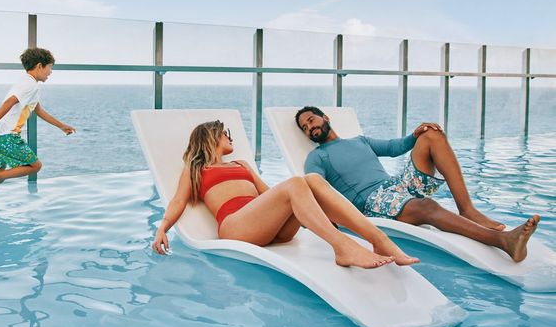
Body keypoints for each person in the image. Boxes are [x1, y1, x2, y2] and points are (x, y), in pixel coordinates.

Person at [152, 120, 420, 268]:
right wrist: (163, 228)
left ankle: (379, 240)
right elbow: (178, 200)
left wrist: (312, 210)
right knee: (295, 183)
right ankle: (342, 247)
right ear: (210, 137)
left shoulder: (242, 164)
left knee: (311, 180)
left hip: (270, 229)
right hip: (236, 227)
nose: (230, 137)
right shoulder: (197, 168)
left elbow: (270, 196)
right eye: (225, 133)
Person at [294, 106, 540, 262]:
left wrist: (416, 133)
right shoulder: (317, 158)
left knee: (432, 135)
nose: (310, 127)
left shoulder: (360, 141)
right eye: (305, 127)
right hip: (371, 202)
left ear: (325, 118)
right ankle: (503, 241)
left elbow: (395, 147)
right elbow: (315, 188)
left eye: (311, 120)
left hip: (396, 187)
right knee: (427, 207)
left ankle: (467, 209)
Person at [0, 47, 75, 202]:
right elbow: (9, 102)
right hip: (6, 136)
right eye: (50, 67)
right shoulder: (30, 86)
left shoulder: (27, 82)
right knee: (35, 166)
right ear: (39, 66)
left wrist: (61, 125)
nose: (50, 72)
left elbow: (38, 110)